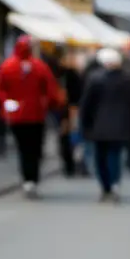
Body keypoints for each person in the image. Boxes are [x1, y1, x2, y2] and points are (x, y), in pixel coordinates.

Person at [0, 35, 63, 198]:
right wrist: (53, 105)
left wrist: (7, 104)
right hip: (36, 115)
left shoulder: (7, 66)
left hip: (17, 116)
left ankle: (27, 179)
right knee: (35, 149)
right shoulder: (39, 67)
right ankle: (32, 178)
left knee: (23, 148)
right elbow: (51, 91)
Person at [78, 47, 130, 201]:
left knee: (100, 158)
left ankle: (106, 186)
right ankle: (114, 184)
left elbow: (87, 103)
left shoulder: (95, 78)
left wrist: (84, 123)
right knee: (115, 156)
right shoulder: (129, 79)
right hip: (121, 125)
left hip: (98, 125)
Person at [51, 47, 83, 177]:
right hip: (65, 110)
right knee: (66, 139)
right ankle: (70, 164)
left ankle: (70, 164)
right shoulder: (66, 75)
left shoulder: (66, 75)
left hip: (67, 110)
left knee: (67, 139)